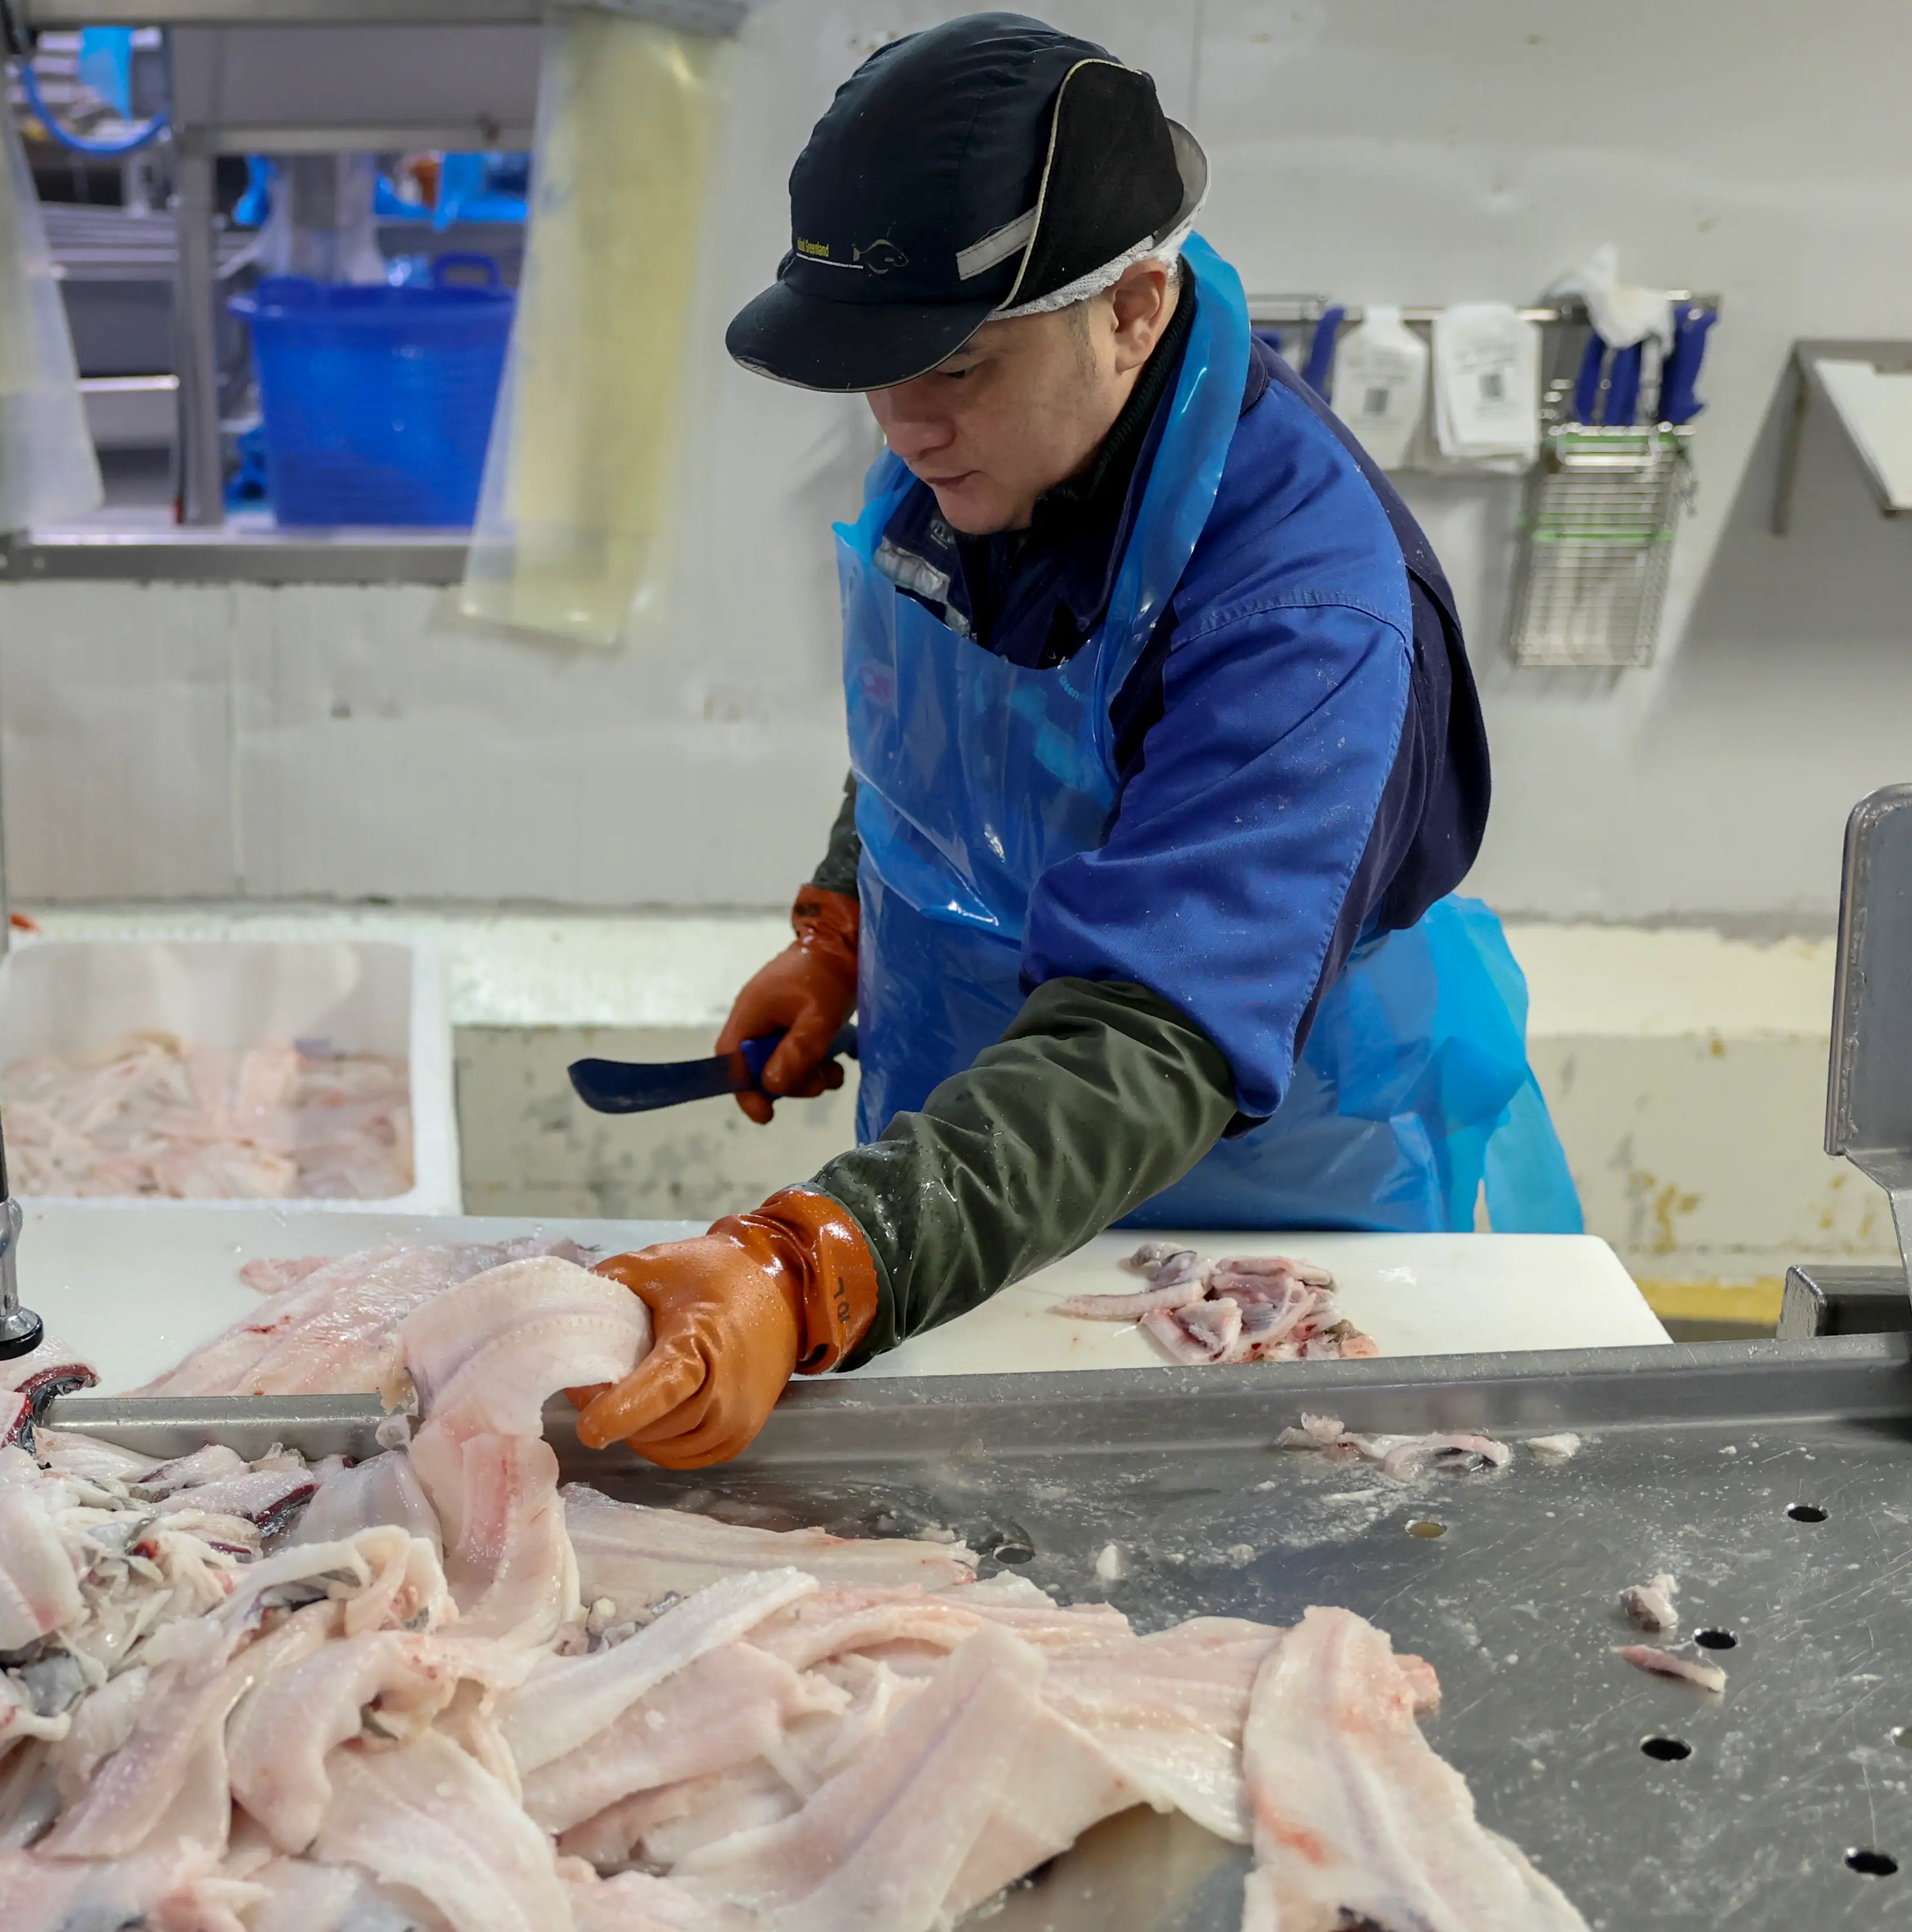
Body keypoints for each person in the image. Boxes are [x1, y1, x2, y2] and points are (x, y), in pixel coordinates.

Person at [572, 12, 1578, 1474]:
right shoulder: (995, 447)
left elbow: (1158, 1022)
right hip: (981, 1165)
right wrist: (842, 920)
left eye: (959, 366)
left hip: (1261, 1189)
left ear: (1133, 308)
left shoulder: (1305, 609)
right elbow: (943, 716)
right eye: (881, 370)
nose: (906, 424)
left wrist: (820, 1262)